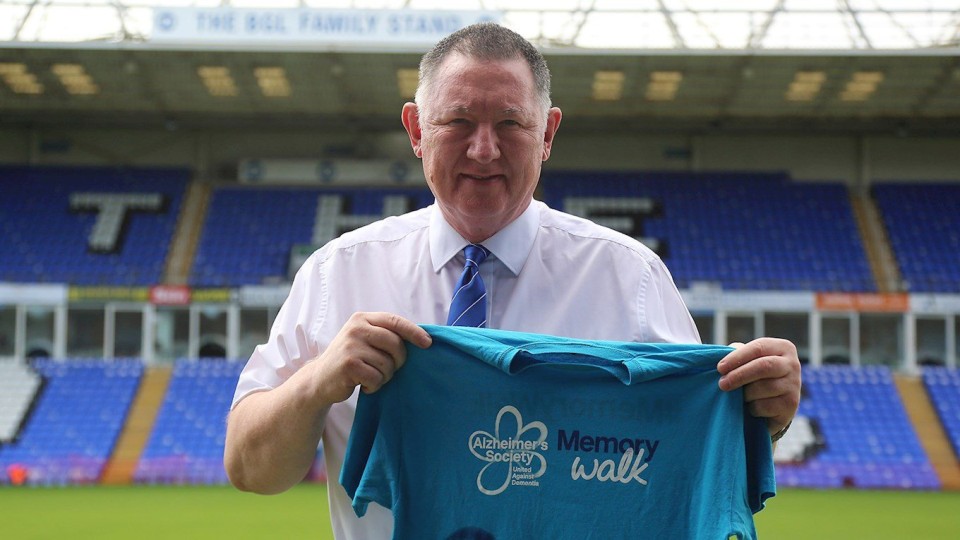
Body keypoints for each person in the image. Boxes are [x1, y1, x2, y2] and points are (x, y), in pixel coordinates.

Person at [224, 22, 801, 539]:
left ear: (547, 133)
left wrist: (760, 417)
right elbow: (249, 470)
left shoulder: (630, 278)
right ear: (416, 129)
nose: (484, 149)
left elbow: (688, 456)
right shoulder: (338, 272)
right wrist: (317, 382)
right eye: (458, 121)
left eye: (510, 123)